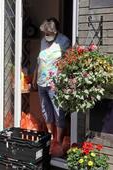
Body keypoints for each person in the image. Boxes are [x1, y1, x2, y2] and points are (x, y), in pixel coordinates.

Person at [33, 17, 70, 156]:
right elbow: (39, 60)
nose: (46, 35)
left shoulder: (64, 41)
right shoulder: (43, 41)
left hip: (54, 84)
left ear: (55, 31)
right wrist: (35, 77)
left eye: (48, 33)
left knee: (58, 111)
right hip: (41, 83)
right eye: (45, 33)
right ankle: (50, 136)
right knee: (45, 111)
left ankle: (59, 141)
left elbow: (67, 62)